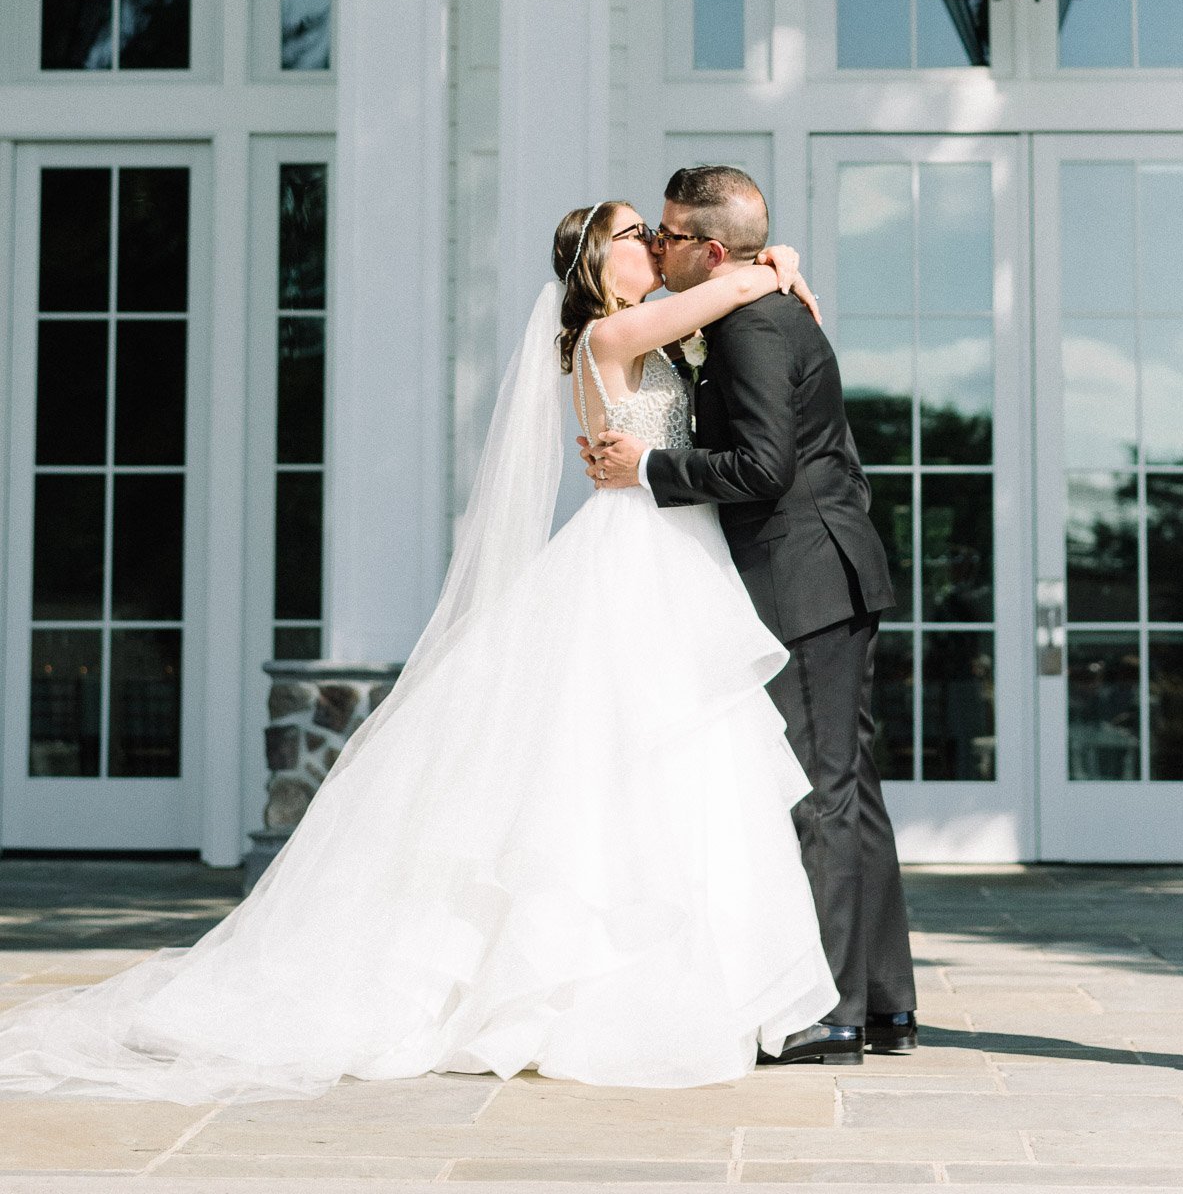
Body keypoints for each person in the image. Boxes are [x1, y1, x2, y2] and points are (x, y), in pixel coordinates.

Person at [0, 200, 836, 1103]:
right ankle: (593, 996)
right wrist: (772, 259)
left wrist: (769, 260)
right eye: (638, 234)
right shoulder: (610, 332)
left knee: (678, 768)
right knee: (623, 764)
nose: (654, 247)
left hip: (672, 553)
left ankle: (701, 986)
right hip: (633, 555)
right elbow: (734, 284)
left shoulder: (648, 331)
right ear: (599, 261)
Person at [584, 166, 917, 1067]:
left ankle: (833, 1014)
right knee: (850, 786)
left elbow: (763, 467)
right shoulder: (758, 309)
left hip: (800, 574)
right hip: (827, 569)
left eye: (665, 232)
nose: (655, 245)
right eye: (640, 234)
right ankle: (882, 1002)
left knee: (820, 790)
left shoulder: (746, 326)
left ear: (707, 248)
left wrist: (647, 470)